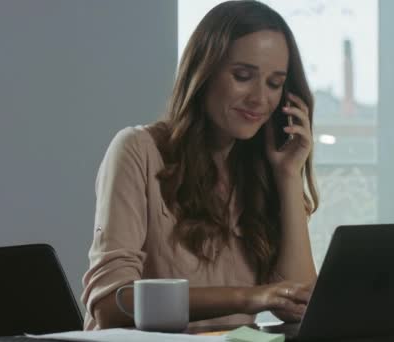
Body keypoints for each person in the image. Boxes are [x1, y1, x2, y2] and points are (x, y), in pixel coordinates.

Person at [81, 0, 319, 330]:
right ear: (203, 73)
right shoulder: (138, 150)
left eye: (274, 84)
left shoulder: (260, 172)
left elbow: (299, 306)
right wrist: (248, 297)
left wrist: (289, 175)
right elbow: (111, 305)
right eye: (243, 76)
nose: (259, 99)